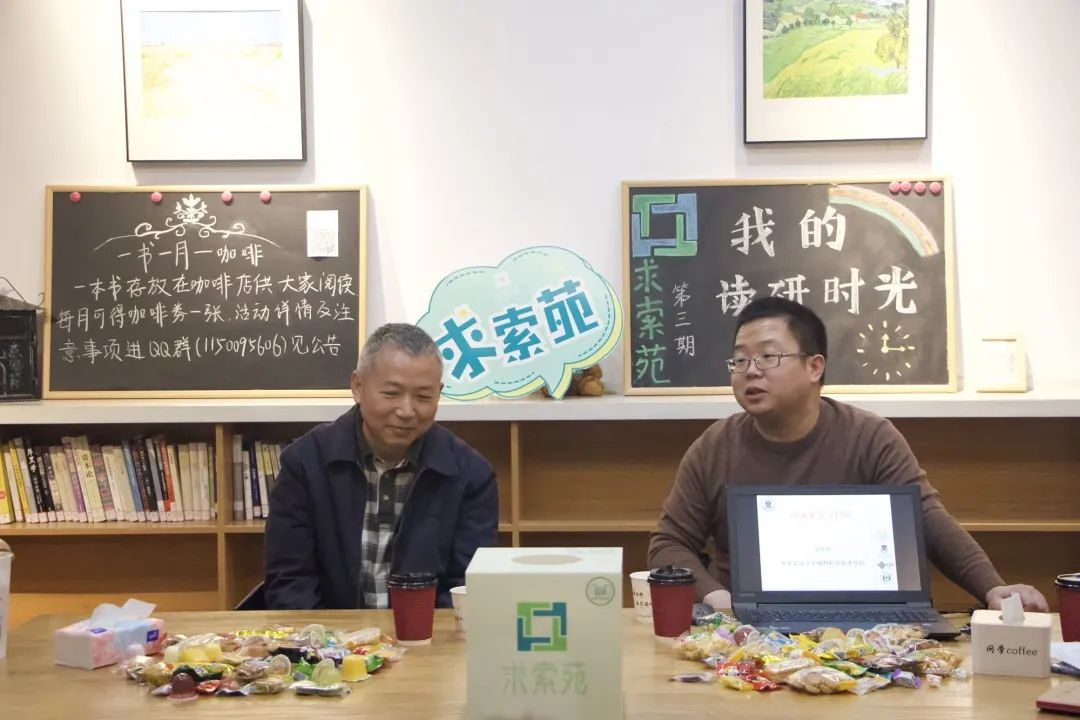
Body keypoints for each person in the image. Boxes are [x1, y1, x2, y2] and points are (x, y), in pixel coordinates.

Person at [648, 297, 1048, 613]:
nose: (750, 370)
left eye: (769, 356)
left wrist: (992, 587)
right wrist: (717, 598)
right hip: (744, 632)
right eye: (739, 359)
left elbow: (927, 520)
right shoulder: (715, 446)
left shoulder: (869, 436)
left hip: (867, 624)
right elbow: (669, 543)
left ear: (814, 367)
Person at [265, 323, 499, 609]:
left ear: (439, 394)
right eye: (391, 393)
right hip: (330, 633)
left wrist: (421, 634)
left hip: (425, 633)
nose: (406, 410)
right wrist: (328, 638)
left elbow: (464, 588)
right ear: (358, 386)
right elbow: (291, 582)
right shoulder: (304, 463)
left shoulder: (472, 475)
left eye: (423, 397)